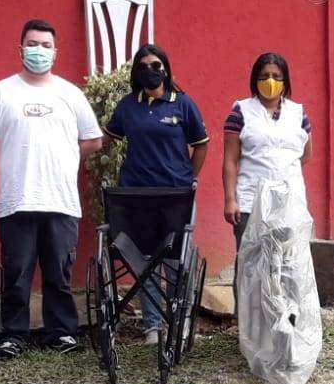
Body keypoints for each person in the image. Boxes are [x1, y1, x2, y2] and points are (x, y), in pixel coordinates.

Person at [0, 19, 103, 358]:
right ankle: (14, 335)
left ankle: (61, 333)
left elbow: (93, 140)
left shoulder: (70, 94)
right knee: (16, 272)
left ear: (55, 53)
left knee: (59, 272)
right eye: (32, 44)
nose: (38, 51)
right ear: (20, 49)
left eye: (45, 45)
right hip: (16, 199)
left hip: (61, 200)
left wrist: (65, 156)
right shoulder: (1, 92)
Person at [103, 44, 209, 344]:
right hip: (138, 195)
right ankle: (152, 326)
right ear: (136, 72)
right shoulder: (128, 106)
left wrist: (188, 176)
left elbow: (201, 144)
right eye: (144, 66)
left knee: (176, 262)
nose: (150, 71)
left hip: (176, 195)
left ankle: (179, 321)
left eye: (156, 65)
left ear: (165, 68)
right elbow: (107, 139)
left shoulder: (183, 104)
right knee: (146, 261)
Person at [222, 52, 312, 255]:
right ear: (255, 80)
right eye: (264, 76)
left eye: (276, 76)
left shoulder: (298, 113)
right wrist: (230, 200)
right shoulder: (241, 111)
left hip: (290, 202)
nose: (270, 81)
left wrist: (280, 168)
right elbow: (230, 160)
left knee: (290, 263)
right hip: (250, 201)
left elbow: (306, 154)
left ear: (285, 81)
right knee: (250, 263)